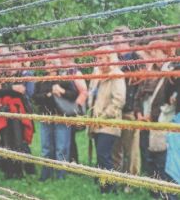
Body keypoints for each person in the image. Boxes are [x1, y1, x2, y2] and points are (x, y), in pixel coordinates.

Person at [133, 40, 177, 200]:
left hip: (165, 124)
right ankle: (156, 193)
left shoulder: (171, 73)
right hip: (150, 123)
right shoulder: (153, 73)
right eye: (150, 53)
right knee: (151, 159)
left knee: (164, 163)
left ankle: (165, 194)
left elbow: (167, 101)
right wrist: (140, 113)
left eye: (155, 53)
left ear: (166, 53)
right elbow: (141, 96)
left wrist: (153, 116)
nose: (152, 56)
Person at [33, 54, 78, 181]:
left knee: (61, 148)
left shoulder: (64, 79)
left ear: (57, 64)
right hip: (46, 117)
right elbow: (35, 97)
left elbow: (74, 95)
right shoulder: (41, 81)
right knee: (46, 147)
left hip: (61, 117)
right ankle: (46, 174)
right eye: (46, 63)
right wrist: (48, 95)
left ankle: (60, 176)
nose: (48, 66)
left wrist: (62, 92)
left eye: (51, 63)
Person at [88, 46, 126, 194]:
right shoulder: (96, 74)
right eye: (96, 58)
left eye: (101, 58)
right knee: (101, 155)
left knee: (104, 155)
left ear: (109, 58)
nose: (98, 61)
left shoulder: (117, 75)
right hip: (96, 122)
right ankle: (104, 186)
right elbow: (92, 96)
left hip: (109, 123)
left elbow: (119, 100)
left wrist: (103, 116)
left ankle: (111, 187)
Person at [0, 56, 34, 178]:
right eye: (9, 62)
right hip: (4, 113)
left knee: (18, 141)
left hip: (18, 114)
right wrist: (11, 89)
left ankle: (19, 172)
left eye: (15, 62)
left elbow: (21, 91)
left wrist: (6, 89)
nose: (12, 65)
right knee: (6, 141)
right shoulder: (3, 76)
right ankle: (9, 171)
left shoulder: (23, 76)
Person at [111, 27, 142, 187]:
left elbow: (141, 85)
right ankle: (116, 179)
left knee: (131, 149)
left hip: (131, 110)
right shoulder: (114, 59)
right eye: (113, 41)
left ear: (126, 40)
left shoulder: (137, 58)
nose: (114, 44)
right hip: (116, 111)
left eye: (118, 41)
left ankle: (131, 183)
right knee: (116, 148)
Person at [59, 45, 88, 164]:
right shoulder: (63, 71)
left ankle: (73, 161)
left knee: (70, 137)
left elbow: (84, 92)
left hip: (73, 110)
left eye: (61, 54)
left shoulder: (75, 72)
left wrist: (75, 108)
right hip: (63, 108)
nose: (59, 57)